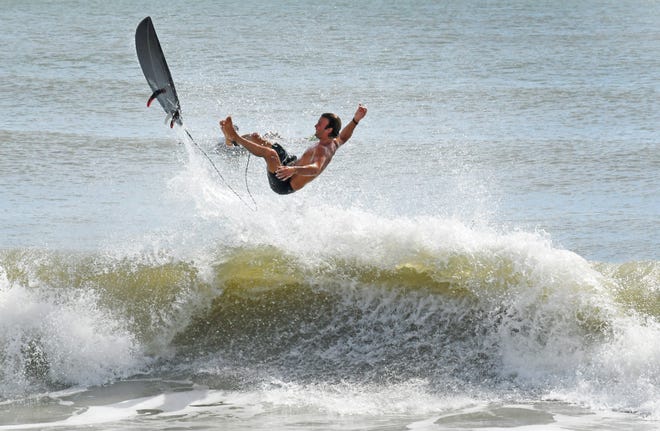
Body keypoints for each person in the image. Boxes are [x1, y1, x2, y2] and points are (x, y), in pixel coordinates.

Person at [219, 104, 367, 194]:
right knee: (257, 138)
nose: (315, 126)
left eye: (320, 124)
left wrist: (294, 170)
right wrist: (355, 120)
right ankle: (231, 141)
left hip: (285, 182)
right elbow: (344, 137)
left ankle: (235, 136)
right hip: (290, 164)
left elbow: (316, 168)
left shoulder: (325, 149)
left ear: (328, 130)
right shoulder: (335, 141)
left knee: (270, 153)